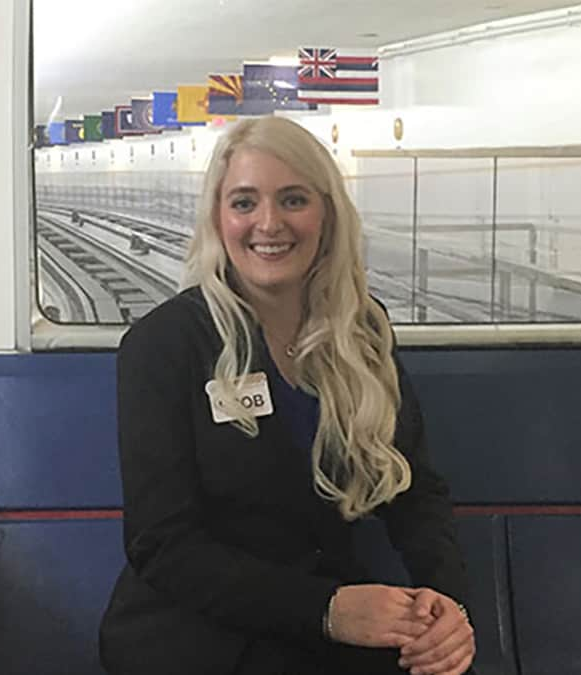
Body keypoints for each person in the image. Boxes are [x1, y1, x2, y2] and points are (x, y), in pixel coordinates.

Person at [98, 116, 475, 675]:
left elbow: (414, 490)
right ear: (218, 218)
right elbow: (163, 544)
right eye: (244, 203)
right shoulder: (166, 344)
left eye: (293, 199)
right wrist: (327, 610)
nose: (268, 223)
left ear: (326, 214)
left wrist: (444, 601)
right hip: (198, 640)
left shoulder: (361, 332)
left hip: (323, 635)